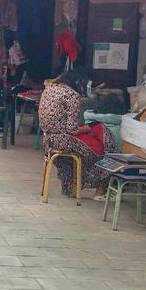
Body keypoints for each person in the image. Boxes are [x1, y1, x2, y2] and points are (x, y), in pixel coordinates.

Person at [38, 69, 116, 200]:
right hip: (64, 139)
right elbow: (71, 129)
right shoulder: (72, 95)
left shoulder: (49, 89)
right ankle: (100, 191)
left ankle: (71, 188)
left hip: (48, 139)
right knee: (102, 150)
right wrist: (85, 128)